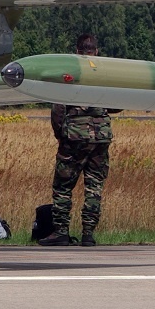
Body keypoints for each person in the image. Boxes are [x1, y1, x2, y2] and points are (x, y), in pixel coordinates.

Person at [39, 32, 116, 247]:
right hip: (101, 137)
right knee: (94, 187)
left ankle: (61, 231)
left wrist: (61, 135)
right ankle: (88, 234)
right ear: (96, 51)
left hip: (74, 136)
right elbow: (116, 105)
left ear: (77, 51)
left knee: (63, 186)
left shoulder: (70, 72)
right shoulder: (105, 74)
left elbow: (58, 107)